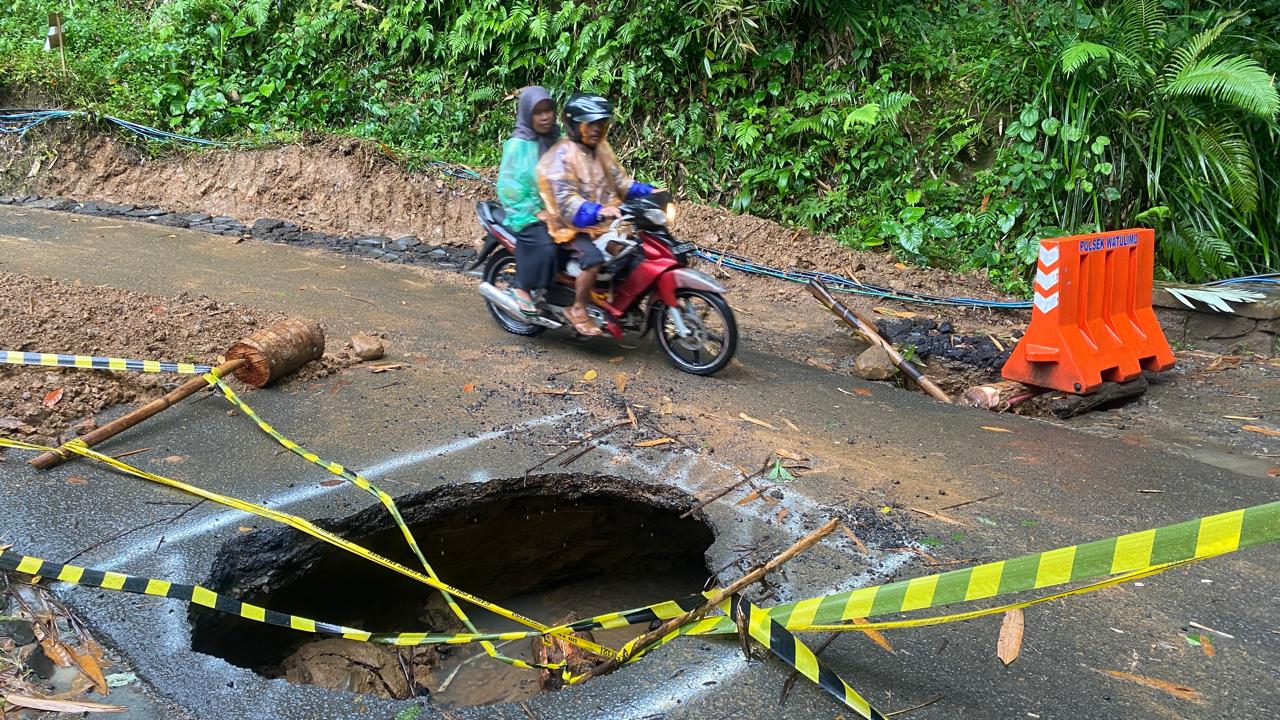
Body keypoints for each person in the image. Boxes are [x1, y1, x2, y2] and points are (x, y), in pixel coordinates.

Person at [536, 93, 653, 336]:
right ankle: (577, 308)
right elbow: (567, 203)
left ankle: (616, 302)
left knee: (635, 250)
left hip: (603, 223)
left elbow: (621, 183)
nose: (597, 129)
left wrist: (650, 192)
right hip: (571, 227)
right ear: (575, 124)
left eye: (601, 124)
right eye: (591, 124)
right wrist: (599, 211)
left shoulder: (600, 151)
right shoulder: (560, 157)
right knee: (593, 260)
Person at [496, 86, 562, 314]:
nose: (545, 117)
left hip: (556, 209)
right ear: (526, 114)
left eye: (549, 110)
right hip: (525, 212)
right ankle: (522, 288)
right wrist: (536, 211)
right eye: (538, 112)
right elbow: (509, 188)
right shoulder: (520, 145)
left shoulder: (556, 138)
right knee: (547, 247)